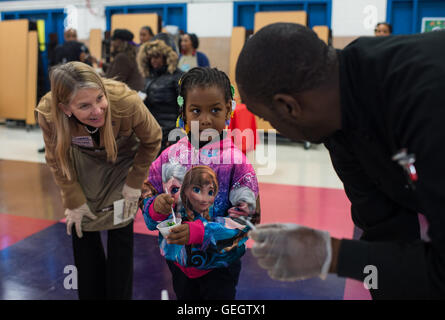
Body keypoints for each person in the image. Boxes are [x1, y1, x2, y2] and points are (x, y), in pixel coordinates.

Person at [235, 22, 445, 299]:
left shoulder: (421, 101)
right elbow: (385, 232)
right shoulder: (338, 123)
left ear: (288, 106)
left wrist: (330, 255)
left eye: (265, 117)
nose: (270, 125)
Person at [35, 61, 162, 299]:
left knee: (121, 230)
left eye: (99, 99)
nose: (97, 110)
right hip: (81, 162)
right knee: (82, 227)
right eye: (84, 105)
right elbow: (55, 158)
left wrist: (135, 182)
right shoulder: (48, 112)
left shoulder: (126, 101)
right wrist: (72, 198)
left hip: (122, 160)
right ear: (65, 108)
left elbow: (153, 139)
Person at [140, 67, 260, 299]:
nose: (205, 119)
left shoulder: (237, 163)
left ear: (228, 109)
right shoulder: (168, 156)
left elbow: (247, 219)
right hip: (177, 260)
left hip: (220, 265)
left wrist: (199, 232)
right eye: (196, 110)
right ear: (183, 112)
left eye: (215, 110)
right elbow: (147, 193)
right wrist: (155, 208)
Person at [136, 34, 183, 153]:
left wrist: (176, 134)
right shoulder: (149, 77)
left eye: (157, 57)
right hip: (152, 133)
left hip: (170, 134)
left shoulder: (178, 77)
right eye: (151, 57)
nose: (153, 61)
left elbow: (185, 108)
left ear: (167, 57)